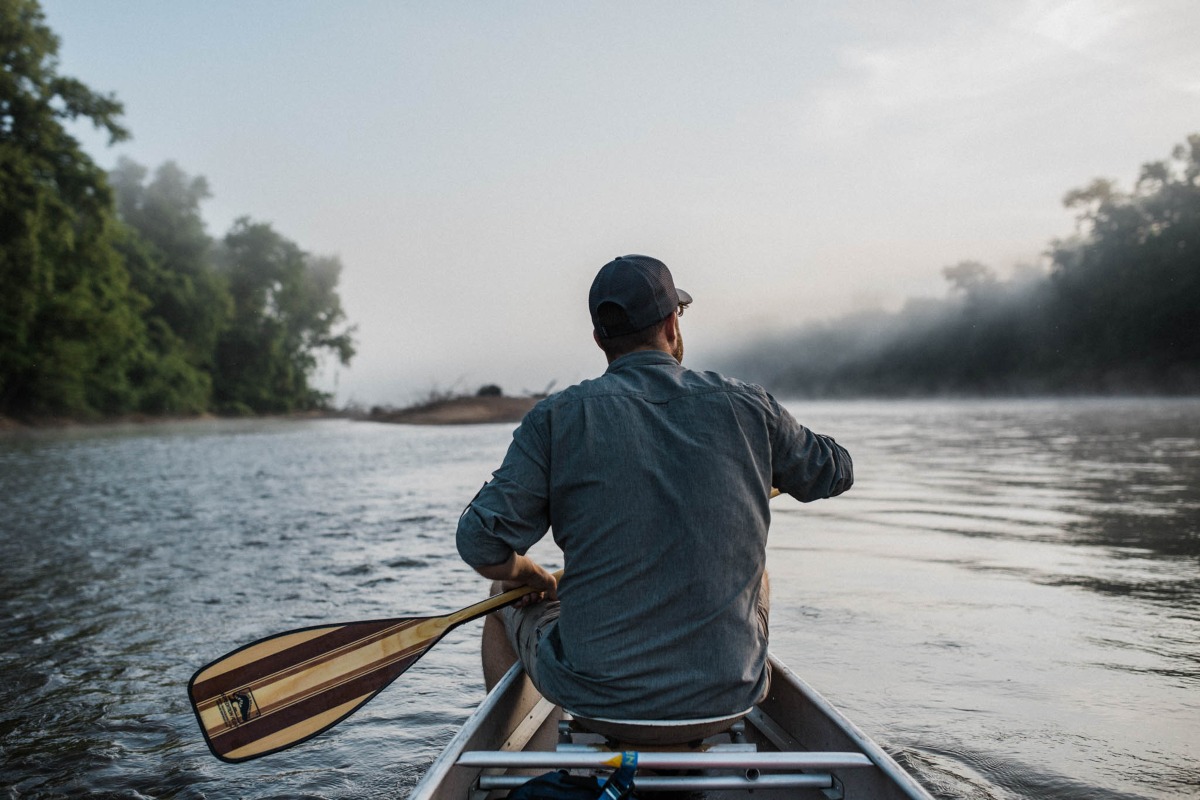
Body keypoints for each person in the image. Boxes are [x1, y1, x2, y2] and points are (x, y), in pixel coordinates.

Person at [456, 254, 853, 741]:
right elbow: (837, 471)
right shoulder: (748, 404)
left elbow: (481, 544)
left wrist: (531, 576)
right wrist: (767, 461)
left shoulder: (555, 419)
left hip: (597, 704)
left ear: (601, 339)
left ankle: (512, 757)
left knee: (501, 598)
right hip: (731, 698)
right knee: (760, 577)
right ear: (671, 323)